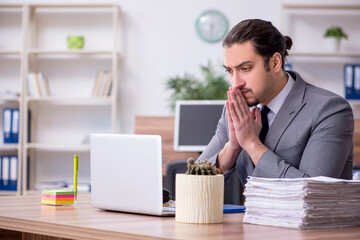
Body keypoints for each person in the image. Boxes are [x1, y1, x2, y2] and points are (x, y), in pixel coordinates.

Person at [198, 19, 354, 186]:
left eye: (245, 69)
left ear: (275, 62)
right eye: (229, 71)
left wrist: (252, 144)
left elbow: (314, 192)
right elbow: (191, 183)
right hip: (249, 213)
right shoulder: (237, 110)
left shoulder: (330, 110)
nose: (235, 83)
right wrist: (232, 148)